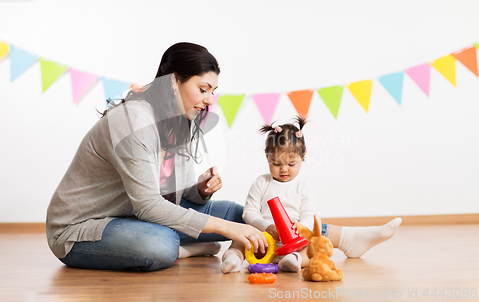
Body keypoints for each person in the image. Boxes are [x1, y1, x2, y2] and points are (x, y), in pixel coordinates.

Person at [46, 42, 268, 272]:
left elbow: (171, 196)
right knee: (161, 244)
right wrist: (225, 229)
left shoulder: (178, 121)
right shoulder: (134, 121)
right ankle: (185, 249)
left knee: (239, 215)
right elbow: (149, 205)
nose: (210, 100)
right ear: (174, 81)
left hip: (132, 215)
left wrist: (200, 190)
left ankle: (209, 249)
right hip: (80, 228)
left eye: (213, 91)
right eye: (203, 89)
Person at [227, 116, 402, 273]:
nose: (284, 169)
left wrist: (300, 228)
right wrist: (266, 226)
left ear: (303, 157)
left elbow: (308, 216)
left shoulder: (303, 187)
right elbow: (248, 213)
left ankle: (297, 259)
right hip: (263, 240)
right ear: (267, 157)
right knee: (242, 235)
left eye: (291, 163)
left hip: (295, 241)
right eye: (276, 163)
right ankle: (233, 258)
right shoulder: (262, 182)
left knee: (317, 239)